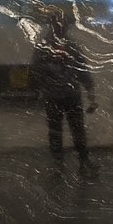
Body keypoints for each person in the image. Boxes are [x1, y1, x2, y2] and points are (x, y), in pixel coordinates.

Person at [30, 11, 99, 177]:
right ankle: (60, 164)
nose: (62, 27)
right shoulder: (44, 47)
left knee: (76, 130)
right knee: (57, 132)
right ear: (53, 25)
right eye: (59, 24)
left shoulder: (70, 46)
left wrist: (91, 94)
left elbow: (82, 70)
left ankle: (82, 161)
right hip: (54, 96)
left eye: (64, 24)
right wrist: (42, 90)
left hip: (70, 95)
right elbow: (36, 72)